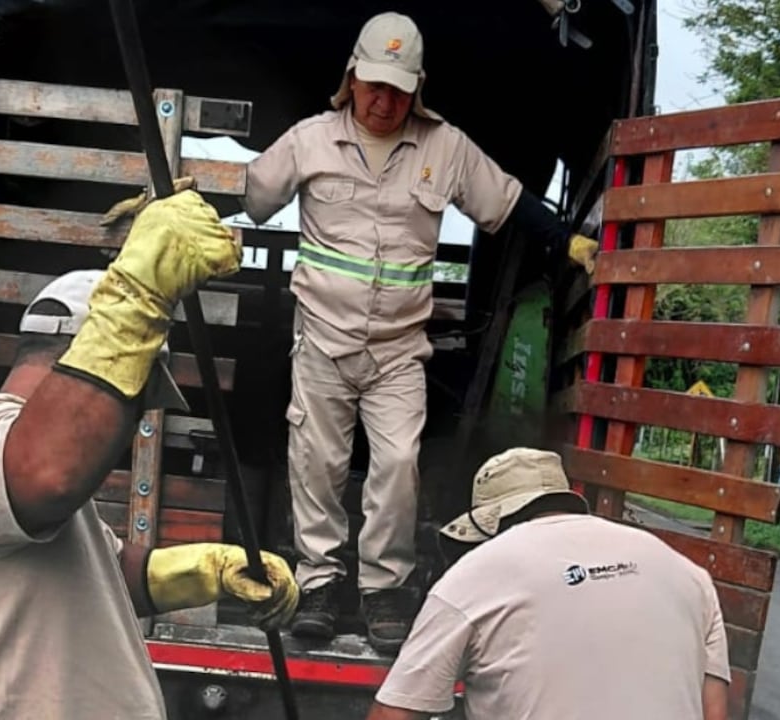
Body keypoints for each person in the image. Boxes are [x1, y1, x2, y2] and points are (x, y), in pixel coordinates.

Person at [241, 10, 600, 654]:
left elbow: (507, 201)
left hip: (399, 348)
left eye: (399, 89)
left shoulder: (444, 148)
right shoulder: (309, 139)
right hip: (322, 337)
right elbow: (253, 198)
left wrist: (566, 240)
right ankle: (318, 582)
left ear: (418, 87)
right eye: (374, 85)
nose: (384, 101)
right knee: (316, 462)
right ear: (351, 78)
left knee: (398, 466)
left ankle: (384, 591)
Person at [0, 190, 300, 720]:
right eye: (135, 394)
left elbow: (106, 577)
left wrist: (211, 570)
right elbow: (51, 473)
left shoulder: (16, 481)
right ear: (89, 356)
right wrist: (142, 291)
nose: (133, 421)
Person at [366, 447, 731, 720]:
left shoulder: (474, 575)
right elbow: (713, 712)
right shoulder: (689, 574)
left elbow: (394, 715)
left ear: (490, 522)